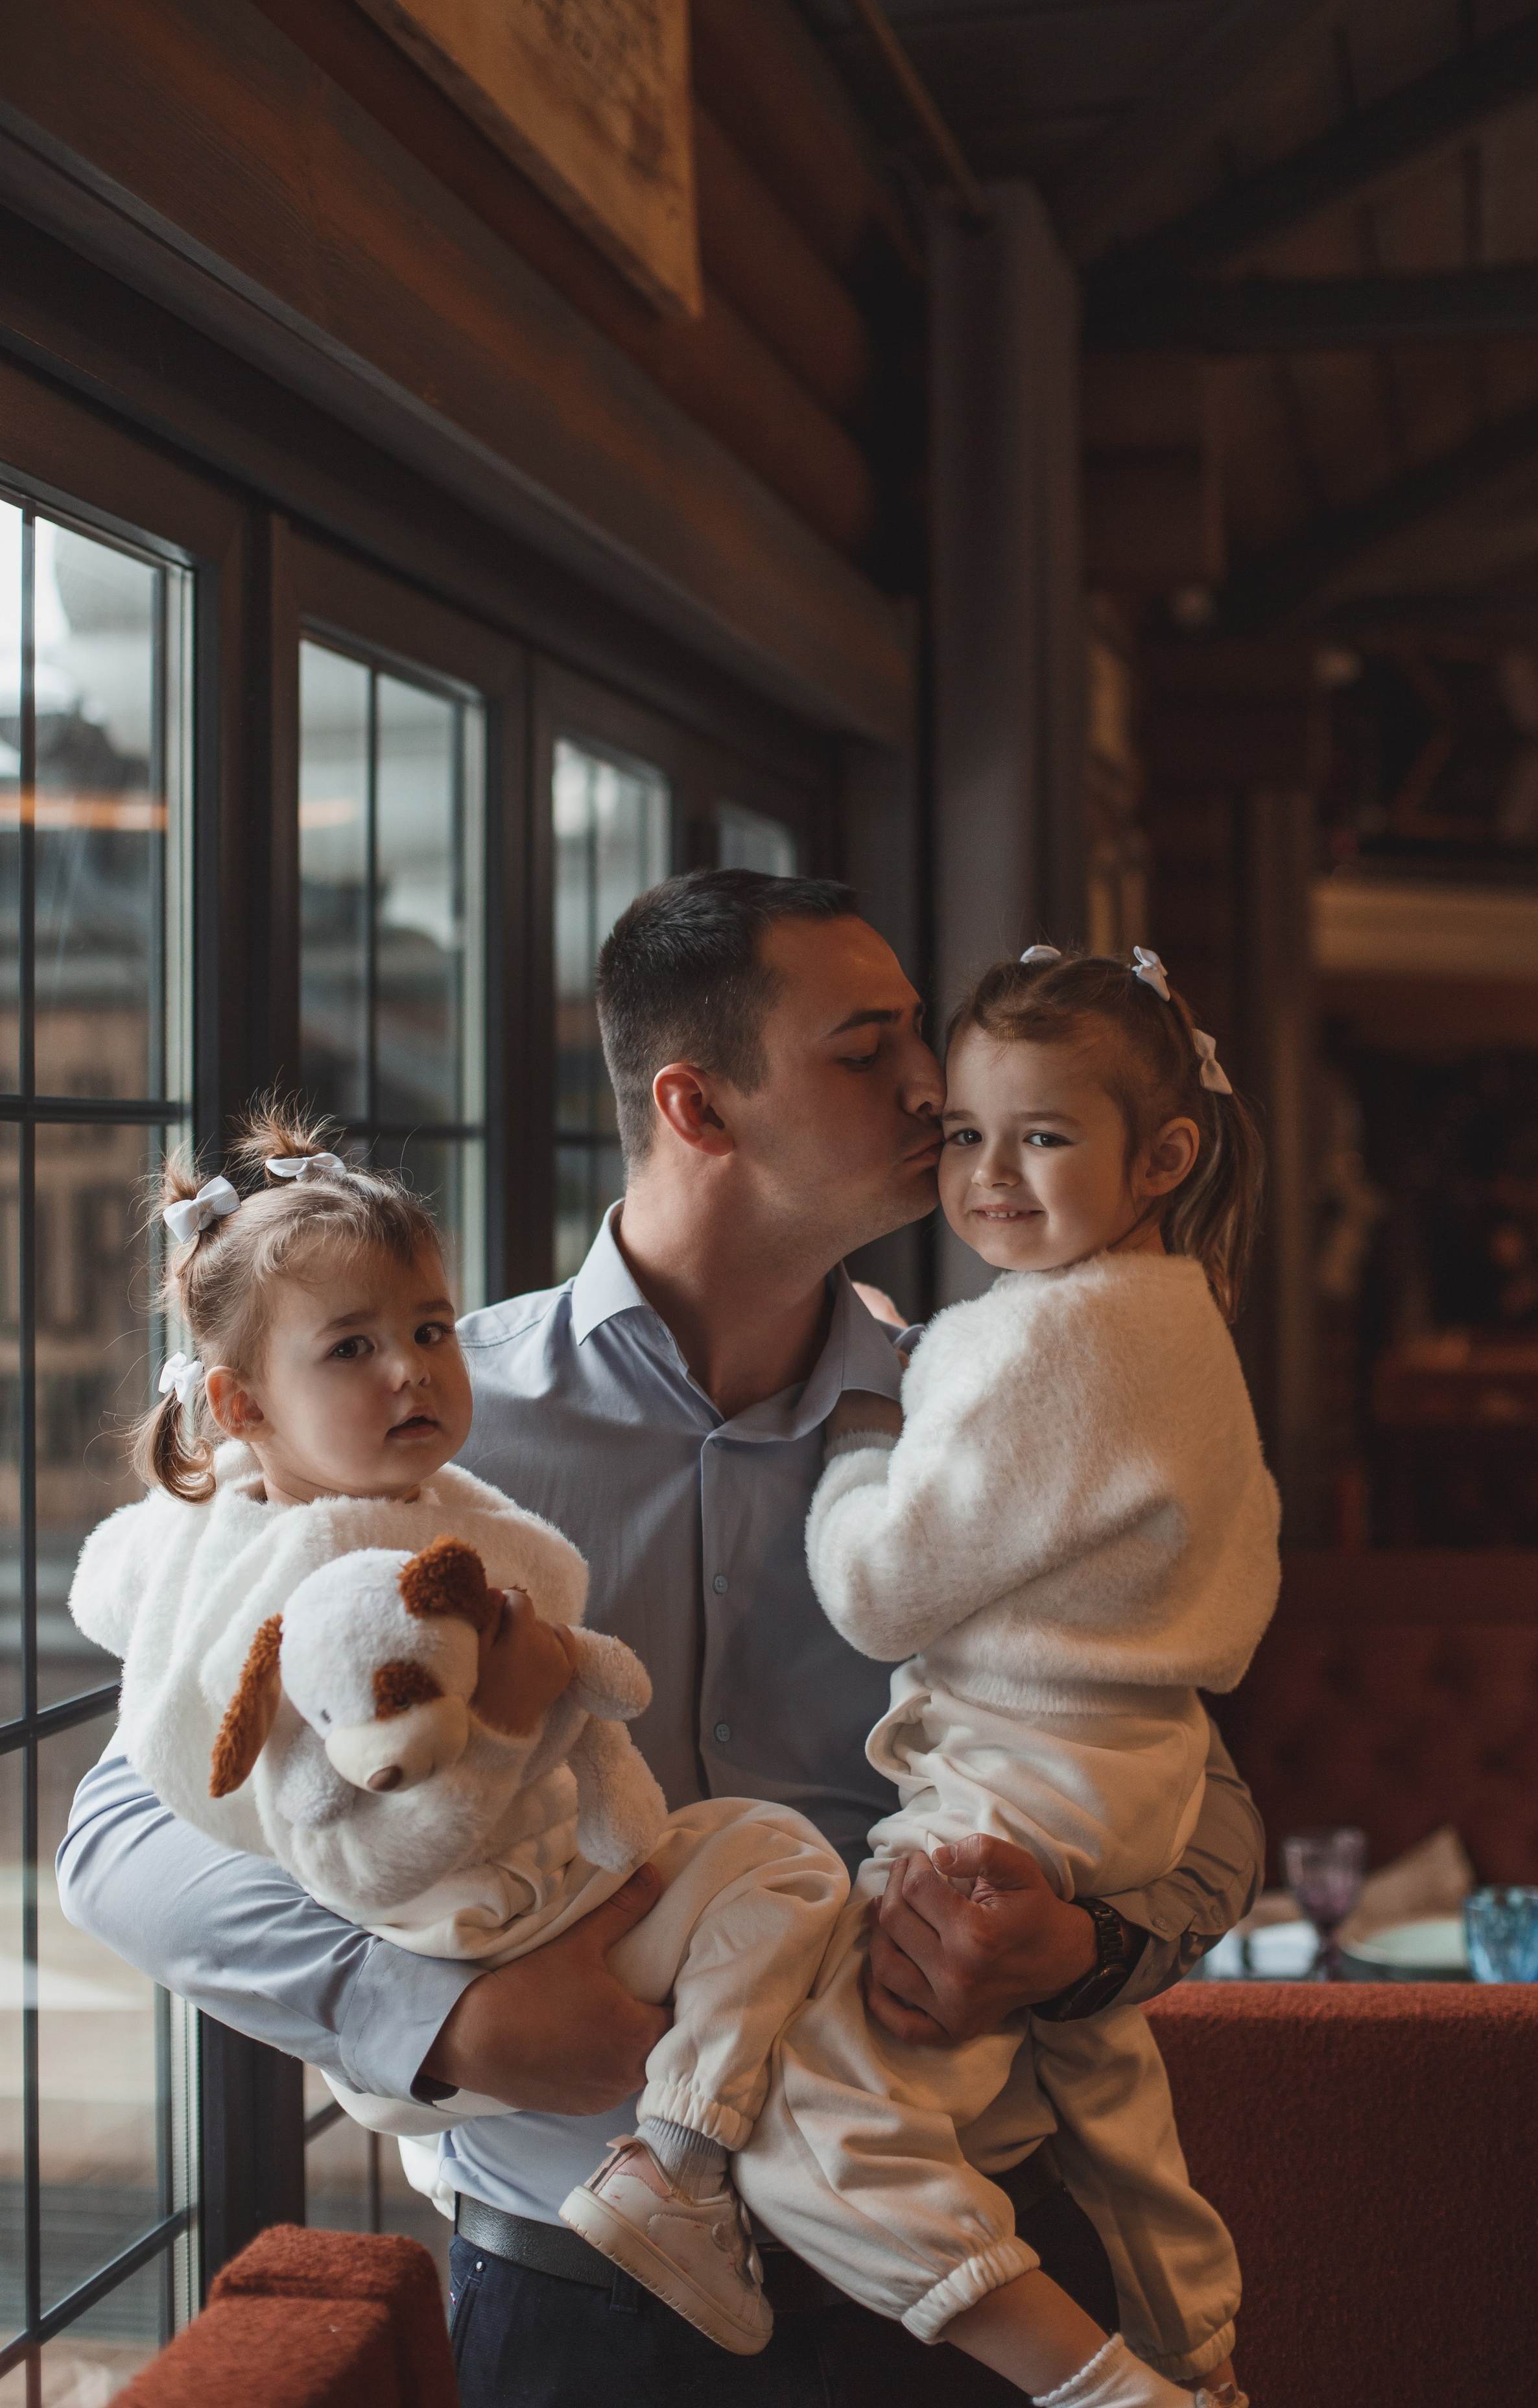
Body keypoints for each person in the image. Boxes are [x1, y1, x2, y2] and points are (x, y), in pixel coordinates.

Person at [57, 872, 1266, 2406]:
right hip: (577, 2295)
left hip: (976, 2276)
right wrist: (443, 2016)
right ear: (696, 1104)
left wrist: (1081, 1948)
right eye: (865, 1047)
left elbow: (1206, 1805)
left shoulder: (990, 1416)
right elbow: (117, 1832)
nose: (930, 1083)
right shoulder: (412, 1423)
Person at [738, 944, 1281, 2397]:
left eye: (1037, 1136)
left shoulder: (1027, 1336)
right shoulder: (1177, 1313)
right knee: (1097, 2087)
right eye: (965, 1132)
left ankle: (1095, 2385)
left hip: (1024, 1771)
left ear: (1159, 1154)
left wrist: (861, 1445)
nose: (984, 1172)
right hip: (1130, 1768)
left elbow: (871, 1591)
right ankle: (1200, 2358)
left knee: (807, 2107)